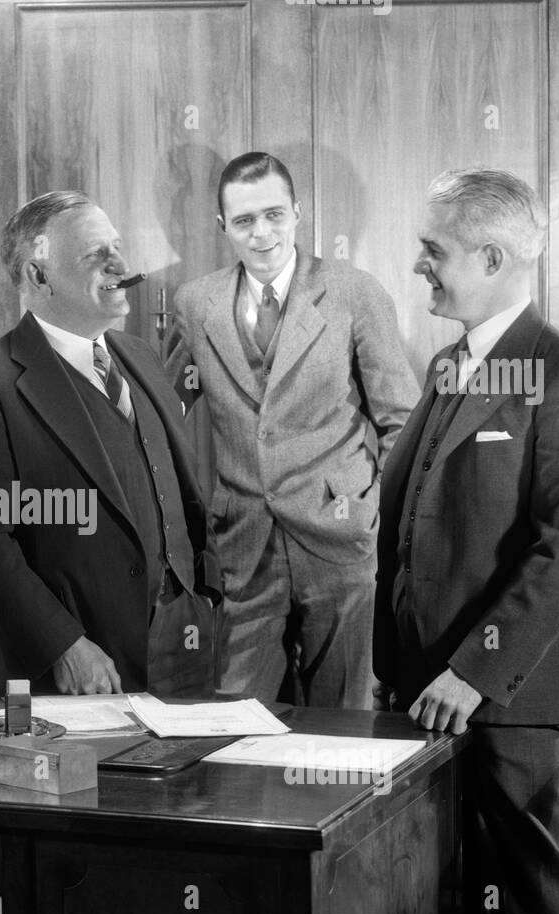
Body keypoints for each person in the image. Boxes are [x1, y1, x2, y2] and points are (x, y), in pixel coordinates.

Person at [374, 169, 559, 914]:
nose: (420, 266)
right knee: (450, 907)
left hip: (502, 695)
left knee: (540, 903)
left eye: (432, 251)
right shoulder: (452, 364)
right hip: (425, 690)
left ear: (490, 257)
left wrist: (475, 672)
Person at [0, 190, 220, 697]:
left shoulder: (140, 356)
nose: (121, 264)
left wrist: (206, 596)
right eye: (98, 254)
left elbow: (182, 492)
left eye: (117, 247)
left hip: (184, 645)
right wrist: (64, 645)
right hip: (81, 667)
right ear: (39, 275)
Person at [168, 152, 417, 707]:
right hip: (244, 546)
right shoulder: (196, 304)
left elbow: (402, 423)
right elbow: (165, 417)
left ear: (299, 213)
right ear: (222, 228)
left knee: (346, 722)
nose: (263, 234)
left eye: (275, 215)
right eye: (245, 221)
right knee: (236, 722)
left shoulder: (355, 293)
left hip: (342, 541)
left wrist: (374, 516)